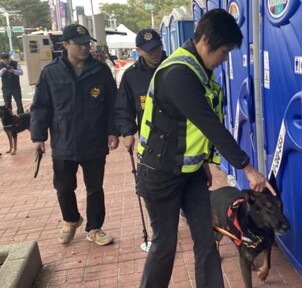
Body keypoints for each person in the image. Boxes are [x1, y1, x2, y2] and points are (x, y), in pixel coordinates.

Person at [136, 9, 275, 288]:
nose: (224, 59)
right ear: (206, 41)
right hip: (160, 173)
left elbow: (187, 129)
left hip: (189, 172)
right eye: (224, 52)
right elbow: (210, 125)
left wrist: (203, 163)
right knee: (165, 245)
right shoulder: (179, 74)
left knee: (206, 241)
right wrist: (247, 167)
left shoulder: (199, 70)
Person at [30, 24, 120, 246]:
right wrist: (38, 137)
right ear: (66, 44)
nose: (84, 48)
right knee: (63, 187)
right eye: (79, 44)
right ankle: (71, 220)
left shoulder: (100, 71)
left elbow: (112, 104)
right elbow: (41, 106)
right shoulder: (51, 73)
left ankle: (95, 228)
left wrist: (113, 131)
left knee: (95, 188)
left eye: (86, 43)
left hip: (94, 139)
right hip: (63, 141)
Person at [116, 28, 166, 152]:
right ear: (139, 51)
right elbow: (124, 108)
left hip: (178, 136)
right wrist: (127, 133)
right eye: (149, 50)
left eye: (157, 48)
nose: (155, 53)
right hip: (149, 140)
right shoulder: (131, 76)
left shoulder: (175, 68)